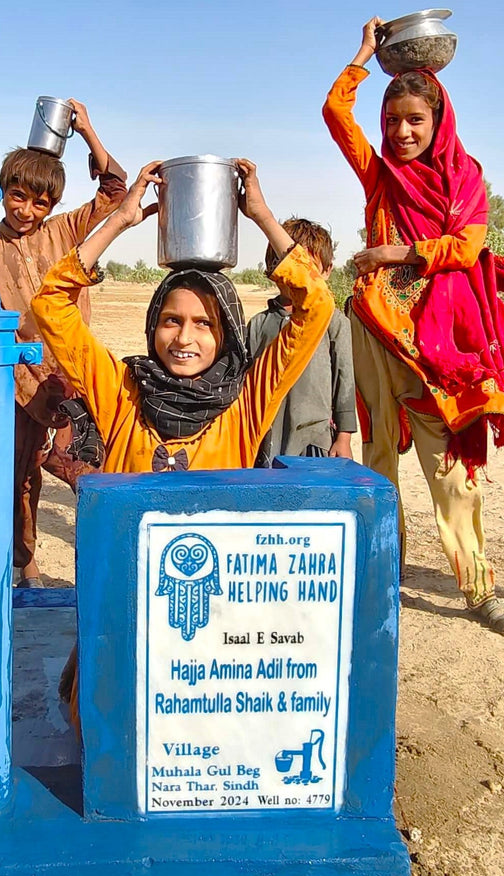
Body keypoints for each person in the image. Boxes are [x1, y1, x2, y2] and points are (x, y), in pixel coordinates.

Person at [30, 159, 335, 731]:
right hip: (127, 607)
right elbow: (51, 305)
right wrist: (120, 220)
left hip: (217, 625)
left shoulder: (245, 403)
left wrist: (263, 217)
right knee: (92, 723)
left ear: (225, 334)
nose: (185, 338)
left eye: (204, 323)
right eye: (171, 321)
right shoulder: (122, 394)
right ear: (153, 327)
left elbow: (314, 308)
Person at [323, 18, 504, 637]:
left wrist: (397, 254)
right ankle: (380, 575)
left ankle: (478, 590)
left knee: (450, 469)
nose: (401, 132)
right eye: (392, 122)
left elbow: (468, 247)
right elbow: (336, 112)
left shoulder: (464, 175)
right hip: (373, 330)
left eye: (414, 120)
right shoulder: (378, 173)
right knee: (378, 459)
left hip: (433, 346)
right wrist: (365, 53)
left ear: (437, 120)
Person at [0, 100, 127, 589]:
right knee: (20, 473)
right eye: (18, 197)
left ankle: (104, 562)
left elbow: (116, 190)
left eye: (40, 203)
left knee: (83, 463)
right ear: (3, 192)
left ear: (53, 207)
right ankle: (25, 562)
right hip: (17, 378)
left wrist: (86, 130)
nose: (27, 211)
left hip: (71, 373)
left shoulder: (64, 232)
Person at [246, 218, 356, 464]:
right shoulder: (258, 325)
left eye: (308, 269)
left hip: (314, 438)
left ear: (326, 271)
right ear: (274, 269)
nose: (296, 279)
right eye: (288, 266)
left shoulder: (334, 322)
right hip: (266, 436)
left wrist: (344, 438)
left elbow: (345, 383)